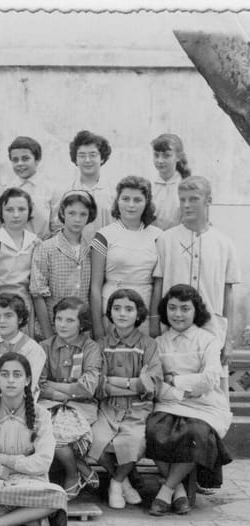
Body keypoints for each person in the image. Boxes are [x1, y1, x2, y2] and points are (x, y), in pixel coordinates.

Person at [146, 285, 232, 516]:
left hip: (204, 405)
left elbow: (210, 379)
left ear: (196, 311)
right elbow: (155, 382)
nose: (178, 314)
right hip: (169, 402)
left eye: (185, 309)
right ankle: (178, 489)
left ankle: (166, 490)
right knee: (152, 430)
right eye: (172, 308)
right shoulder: (158, 343)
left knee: (195, 433)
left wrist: (175, 380)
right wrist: (181, 391)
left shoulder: (208, 340)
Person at [150, 176, 240, 392]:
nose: (187, 205)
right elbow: (158, 285)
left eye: (193, 199)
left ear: (208, 200)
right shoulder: (166, 239)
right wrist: (154, 323)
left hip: (211, 329)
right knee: (172, 388)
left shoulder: (224, 243)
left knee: (213, 390)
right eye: (182, 200)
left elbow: (228, 293)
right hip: (173, 329)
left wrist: (228, 340)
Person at [0, 353, 68, 526]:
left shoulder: (41, 415)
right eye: (4, 374)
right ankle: (28, 517)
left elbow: (43, 462)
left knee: (58, 497)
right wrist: (6, 471)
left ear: (27, 380)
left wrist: (3, 459)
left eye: (17, 375)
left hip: (30, 483)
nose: (10, 380)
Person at [89, 289, 161, 509]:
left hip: (137, 409)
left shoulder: (148, 344)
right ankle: (124, 481)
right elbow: (98, 384)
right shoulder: (101, 344)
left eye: (129, 309)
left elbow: (151, 384)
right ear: (109, 312)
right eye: (117, 308)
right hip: (108, 408)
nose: (122, 314)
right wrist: (134, 384)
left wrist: (116, 382)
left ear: (138, 314)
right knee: (94, 439)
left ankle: (116, 483)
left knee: (134, 441)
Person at [38, 297, 102, 500]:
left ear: (82, 323)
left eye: (70, 320)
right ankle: (78, 468)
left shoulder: (90, 347)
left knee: (58, 435)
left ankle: (72, 475)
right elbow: (38, 384)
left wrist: (55, 387)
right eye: (59, 319)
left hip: (80, 406)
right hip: (48, 404)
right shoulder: (44, 347)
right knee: (41, 429)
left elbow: (88, 387)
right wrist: (59, 394)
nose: (62, 325)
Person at [90, 176, 162, 340]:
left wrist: (154, 320)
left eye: (137, 200)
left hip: (144, 312)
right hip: (112, 312)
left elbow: (159, 283)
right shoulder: (104, 235)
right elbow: (95, 286)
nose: (131, 205)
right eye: (125, 199)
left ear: (147, 203)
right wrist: (98, 327)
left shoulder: (158, 236)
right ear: (117, 201)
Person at [30, 190, 97, 339]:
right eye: (71, 213)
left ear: (89, 216)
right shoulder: (46, 248)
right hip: (53, 328)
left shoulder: (91, 249)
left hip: (82, 331)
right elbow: (38, 294)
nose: (77, 219)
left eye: (83, 214)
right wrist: (49, 336)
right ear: (62, 213)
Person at [0, 187, 40, 339]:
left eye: (21, 209)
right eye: (9, 210)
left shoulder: (35, 243)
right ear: (1, 212)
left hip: (24, 313)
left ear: (29, 211)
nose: (16, 215)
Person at [0, 293, 46, 402]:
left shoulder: (33, 349)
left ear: (20, 319)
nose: (2, 321)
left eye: (8, 315)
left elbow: (25, 388)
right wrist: (5, 382)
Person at [6, 136, 60, 240]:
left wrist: (47, 246)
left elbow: (58, 227)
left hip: (44, 245)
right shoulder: (6, 190)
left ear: (37, 160)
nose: (20, 164)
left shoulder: (51, 190)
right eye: (15, 160)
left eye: (25, 159)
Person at [66, 130, 115, 240]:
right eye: (82, 155)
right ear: (75, 159)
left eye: (93, 155)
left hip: (109, 248)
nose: (87, 160)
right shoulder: (67, 191)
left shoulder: (114, 191)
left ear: (102, 158)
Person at [151, 133, 191, 231]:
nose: (160, 161)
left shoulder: (187, 187)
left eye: (166, 156)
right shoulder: (149, 186)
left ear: (178, 157)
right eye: (156, 155)